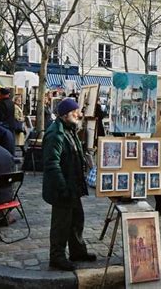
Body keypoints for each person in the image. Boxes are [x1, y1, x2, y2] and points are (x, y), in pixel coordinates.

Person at [42, 98, 96, 271]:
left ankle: (77, 251)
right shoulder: (55, 133)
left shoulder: (69, 129)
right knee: (61, 224)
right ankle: (56, 257)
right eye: (75, 112)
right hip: (62, 188)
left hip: (73, 186)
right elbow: (51, 164)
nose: (78, 114)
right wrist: (62, 187)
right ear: (66, 114)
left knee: (76, 220)